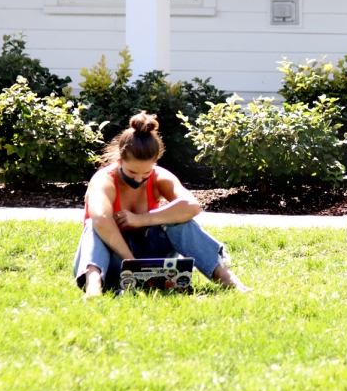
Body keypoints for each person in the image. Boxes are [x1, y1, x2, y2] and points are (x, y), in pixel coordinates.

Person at [73, 111, 251, 296]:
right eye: (132, 173)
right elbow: (101, 220)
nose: (139, 179)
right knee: (95, 224)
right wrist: (132, 265)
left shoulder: (160, 177)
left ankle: (227, 279)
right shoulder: (104, 180)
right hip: (113, 264)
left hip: (152, 264)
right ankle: (94, 289)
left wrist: (140, 219)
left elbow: (191, 207)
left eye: (146, 173)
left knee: (179, 220)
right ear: (120, 160)